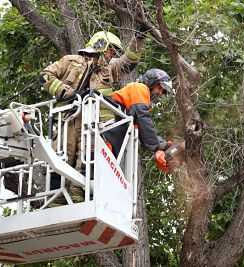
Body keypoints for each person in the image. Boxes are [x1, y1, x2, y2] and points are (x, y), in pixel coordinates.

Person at [39, 29, 147, 200]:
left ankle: (78, 196)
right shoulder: (70, 61)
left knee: (86, 157)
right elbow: (45, 76)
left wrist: (139, 39)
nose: (113, 56)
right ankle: (56, 200)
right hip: (68, 117)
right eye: (112, 51)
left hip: (91, 122)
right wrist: (68, 93)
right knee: (62, 155)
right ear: (100, 46)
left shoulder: (108, 70)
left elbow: (129, 61)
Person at [103, 68, 174, 170]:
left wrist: (164, 144)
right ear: (152, 81)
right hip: (107, 130)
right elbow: (144, 120)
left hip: (110, 134)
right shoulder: (140, 88)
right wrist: (158, 146)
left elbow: (142, 130)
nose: (160, 93)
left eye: (163, 92)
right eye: (160, 88)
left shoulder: (139, 102)